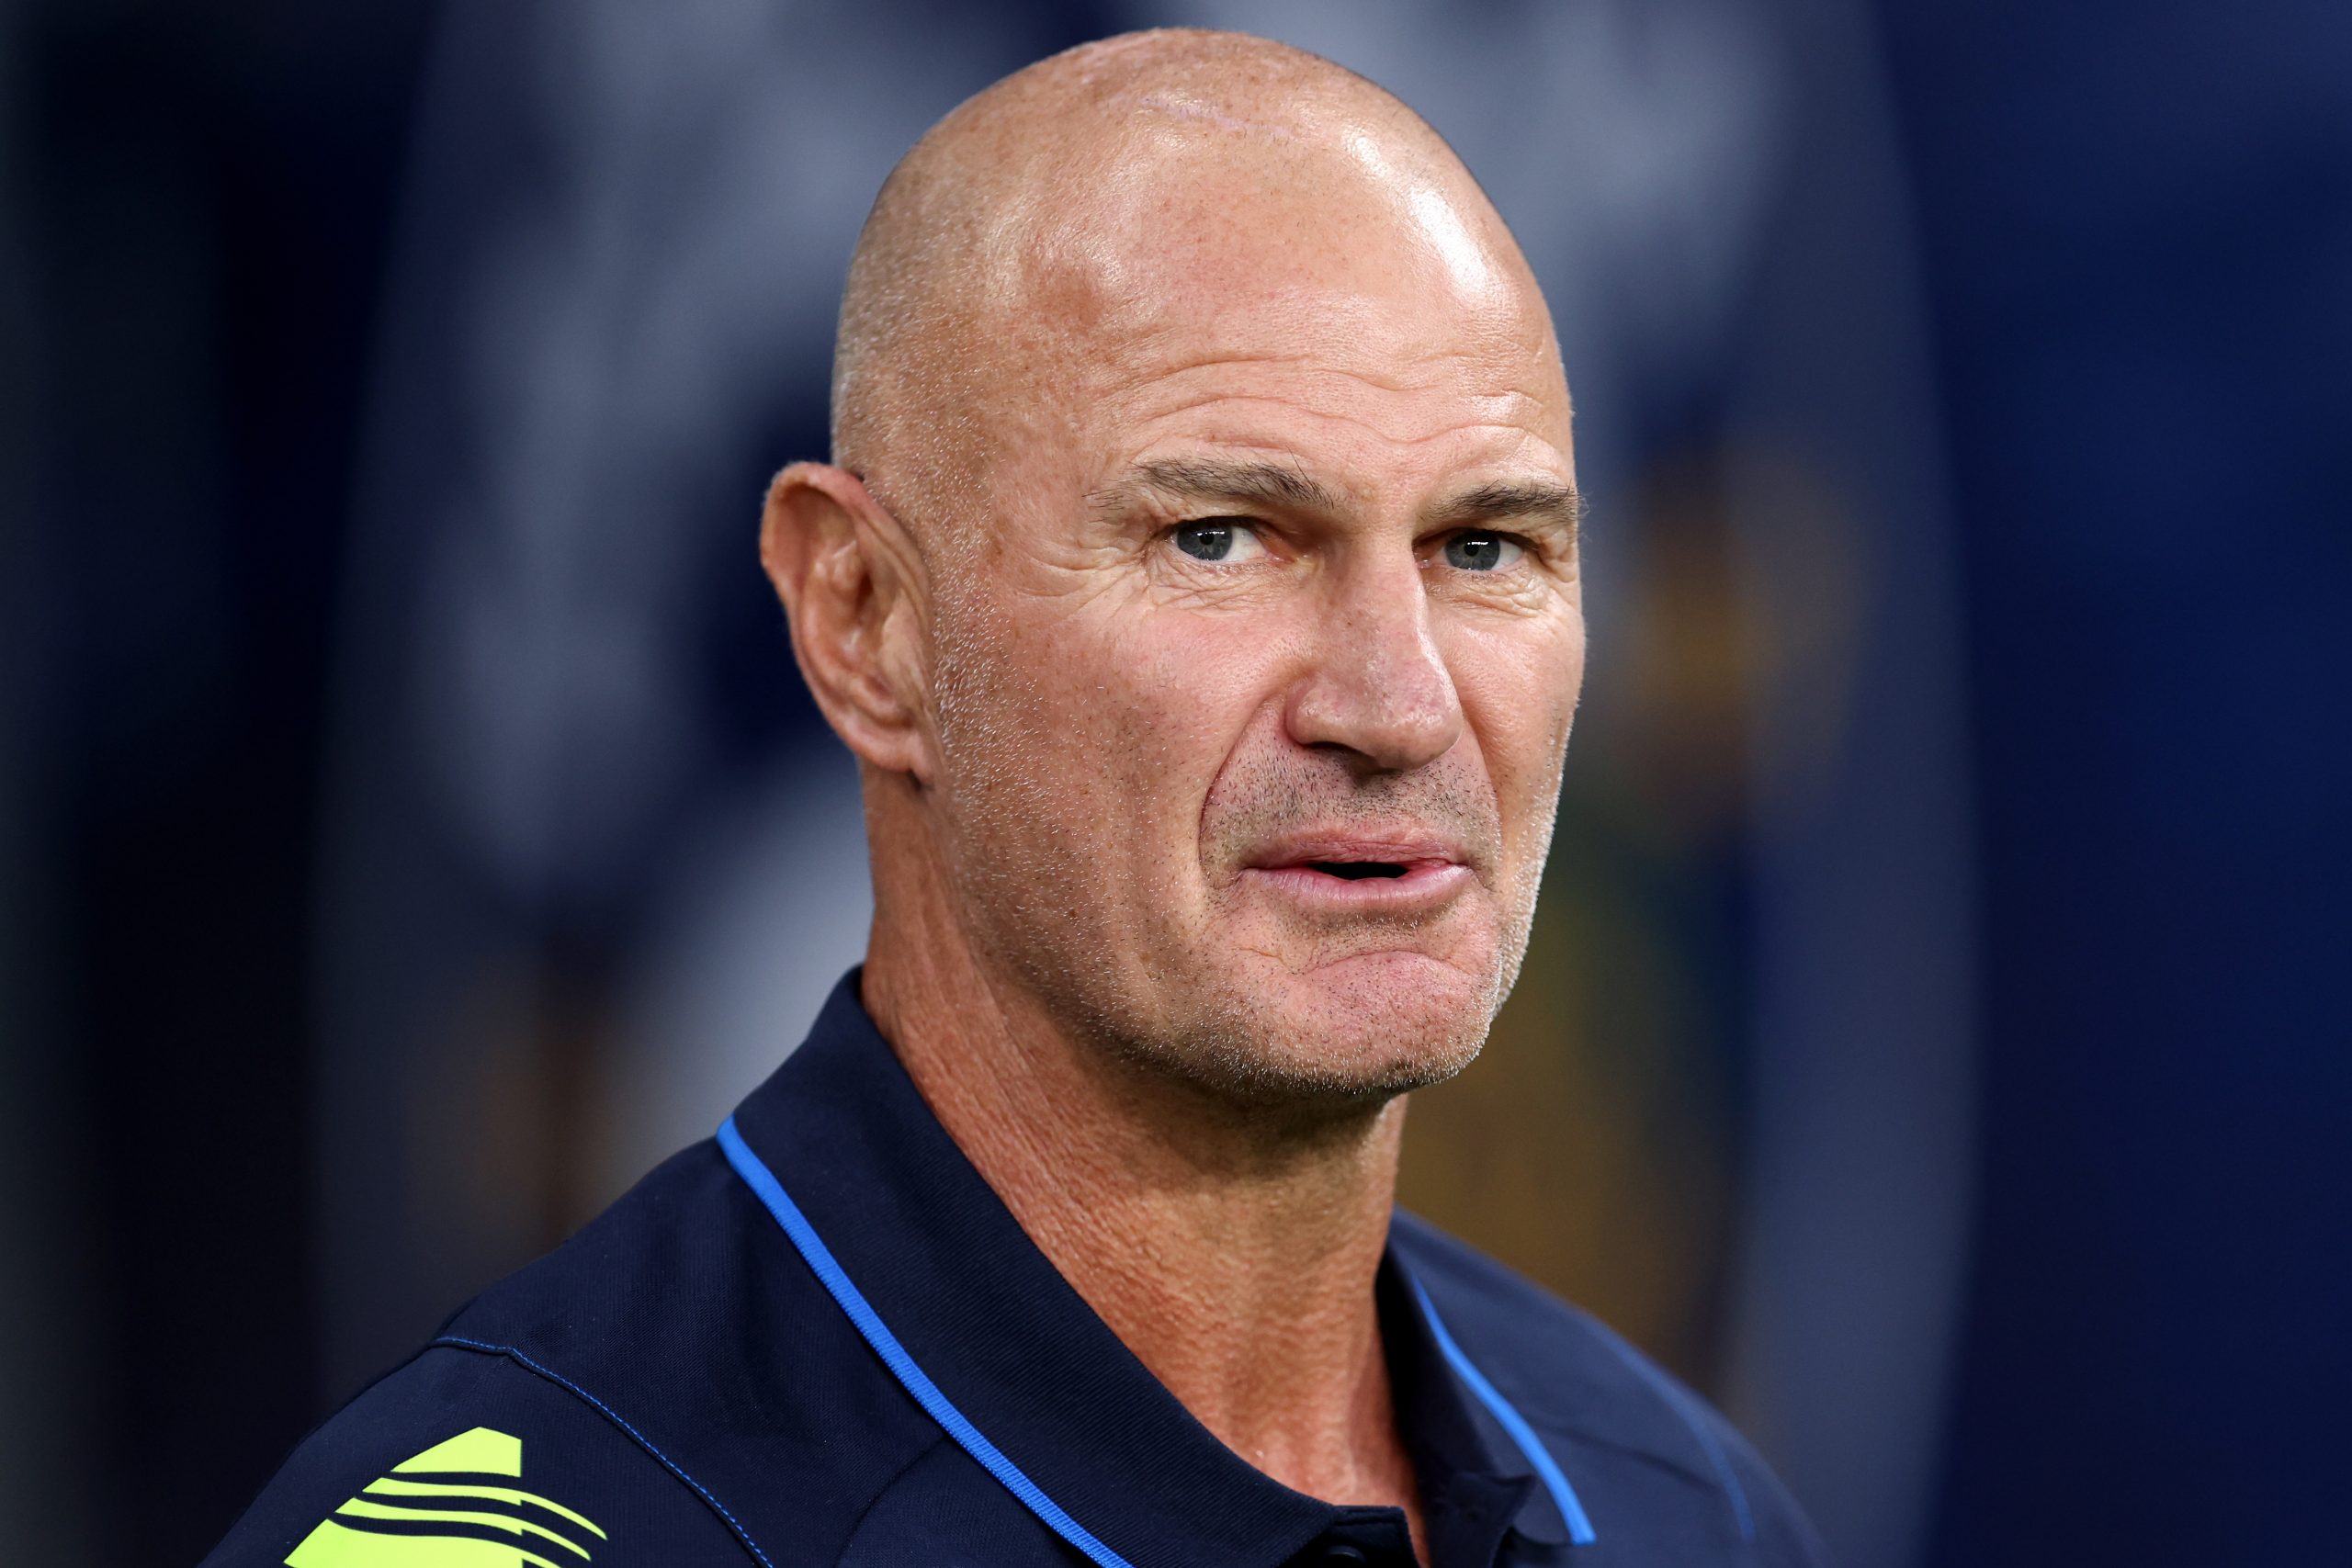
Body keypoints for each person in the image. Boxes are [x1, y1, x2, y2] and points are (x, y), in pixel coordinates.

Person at [207, 28, 1823, 1568]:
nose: (1399, 708)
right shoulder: (557, 1527)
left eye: (1486, 548)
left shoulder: (1676, 1506)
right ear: (863, 621)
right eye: (1220, 537)